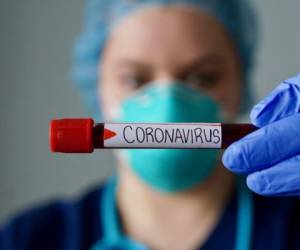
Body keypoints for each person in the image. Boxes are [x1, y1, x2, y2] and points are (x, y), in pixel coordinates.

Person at [1, 0, 300, 249]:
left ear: (241, 80)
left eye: (203, 77)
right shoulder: (31, 239)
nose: (168, 103)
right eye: (135, 79)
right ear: (97, 84)